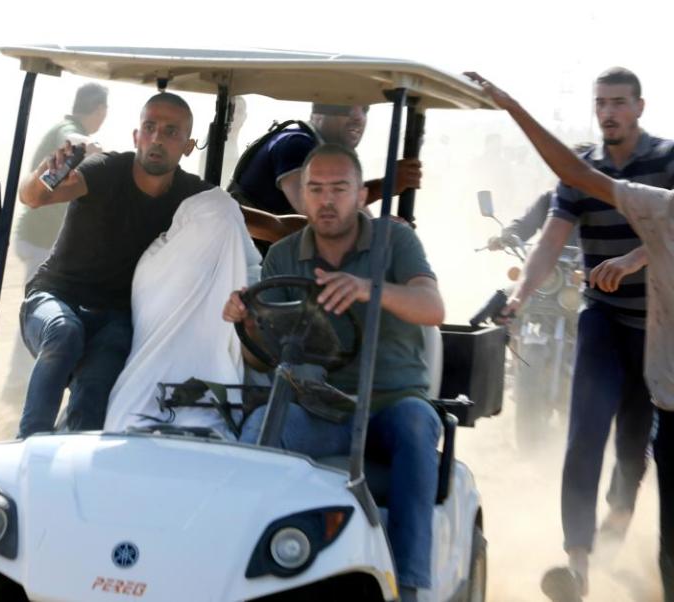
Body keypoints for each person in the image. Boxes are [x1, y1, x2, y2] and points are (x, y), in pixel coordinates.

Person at [467, 70, 674, 602]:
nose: (609, 113)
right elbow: (551, 238)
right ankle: (576, 565)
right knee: (585, 432)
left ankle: (621, 517)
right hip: (602, 318)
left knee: (635, 448)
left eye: (619, 103)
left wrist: (631, 259)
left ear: (639, 107)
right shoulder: (582, 171)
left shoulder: (669, 162)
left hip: (659, 329)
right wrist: (515, 300)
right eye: (601, 103)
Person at [222, 144, 445, 602]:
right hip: (318, 403)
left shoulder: (395, 241)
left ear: (362, 194)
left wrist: (368, 288)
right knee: (255, 436)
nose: (327, 200)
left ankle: (409, 584)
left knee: (417, 426)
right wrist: (247, 324)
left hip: (389, 403)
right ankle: (239, 572)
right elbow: (264, 361)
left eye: (339, 189)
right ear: (302, 197)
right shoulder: (284, 256)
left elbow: (432, 307)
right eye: (316, 189)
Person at [14, 91, 208, 437]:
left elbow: (240, 217)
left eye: (170, 131)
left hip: (115, 318)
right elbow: (34, 196)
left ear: (188, 146)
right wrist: (49, 170)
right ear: (136, 136)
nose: (156, 139)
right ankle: (29, 444)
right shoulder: (104, 171)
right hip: (54, 298)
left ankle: (77, 462)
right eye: (149, 127)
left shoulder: (191, 195)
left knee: (100, 380)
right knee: (64, 332)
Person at [103, 179, 262, 436]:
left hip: (134, 406)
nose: (209, 239)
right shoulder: (245, 274)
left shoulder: (155, 260)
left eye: (222, 230)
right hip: (172, 405)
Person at [2, 83, 109, 403]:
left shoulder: (64, 128)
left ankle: (23, 383)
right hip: (42, 242)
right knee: (42, 317)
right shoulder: (70, 131)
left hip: (40, 239)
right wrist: (95, 148)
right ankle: (18, 387)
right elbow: (75, 143)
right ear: (100, 111)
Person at [233, 104, 422, 220]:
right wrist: (385, 186)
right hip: (249, 268)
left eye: (364, 109)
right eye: (346, 107)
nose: (358, 117)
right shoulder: (295, 144)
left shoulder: (327, 155)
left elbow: (360, 215)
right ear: (317, 115)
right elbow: (315, 211)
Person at [486, 190, 580, 250]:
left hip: (586, 267)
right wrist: (508, 235)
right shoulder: (549, 199)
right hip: (551, 265)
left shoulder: (594, 201)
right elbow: (526, 224)